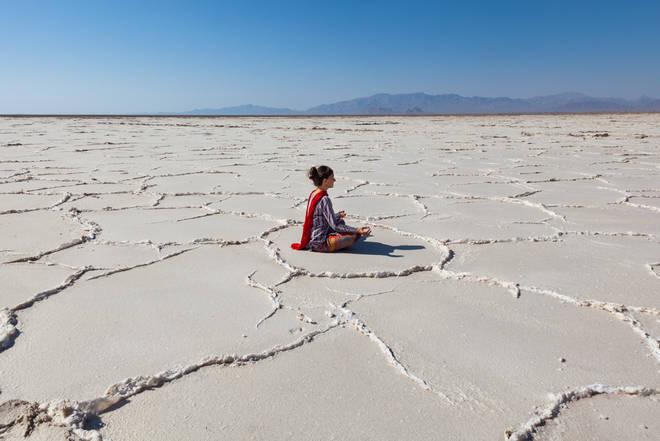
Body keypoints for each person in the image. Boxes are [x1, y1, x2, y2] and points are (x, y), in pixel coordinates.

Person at [291, 166, 371, 252]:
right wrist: (357, 230)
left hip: (312, 235)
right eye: (332, 178)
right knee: (355, 236)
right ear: (325, 181)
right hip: (319, 242)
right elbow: (335, 226)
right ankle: (327, 244)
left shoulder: (314, 193)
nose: (334, 180)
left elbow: (320, 217)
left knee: (340, 221)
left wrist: (337, 215)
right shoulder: (324, 199)